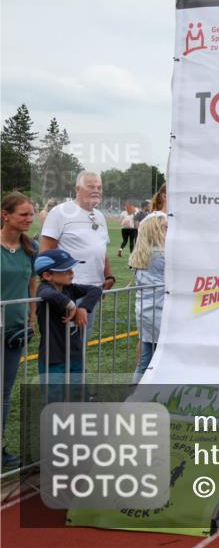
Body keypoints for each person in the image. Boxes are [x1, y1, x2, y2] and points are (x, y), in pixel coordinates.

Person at [34, 249, 102, 402]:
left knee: (79, 395)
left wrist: (83, 307)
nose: (72, 273)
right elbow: (47, 295)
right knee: (55, 400)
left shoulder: (69, 288)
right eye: (66, 271)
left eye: (71, 269)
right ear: (47, 275)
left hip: (75, 354)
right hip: (53, 357)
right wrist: (71, 305)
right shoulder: (45, 288)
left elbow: (95, 289)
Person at [40, 171, 115, 303]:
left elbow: (102, 250)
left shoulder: (100, 216)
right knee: (67, 324)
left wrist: (108, 276)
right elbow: (46, 253)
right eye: (91, 187)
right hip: (69, 288)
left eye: (99, 187)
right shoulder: (59, 212)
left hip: (94, 288)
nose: (96, 190)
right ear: (77, 189)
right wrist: (54, 286)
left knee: (87, 325)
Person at [1, 193, 37, 467]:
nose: (29, 218)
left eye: (31, 214)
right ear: (5, 215)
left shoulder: (30, 248)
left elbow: (32, 284)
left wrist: (32, 316)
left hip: (14, 332)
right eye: (23, 214)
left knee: (4, 392)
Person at [129, 212, 166, 383]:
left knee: (145, 359)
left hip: (145, 312)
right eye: (165, 227)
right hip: (160, 312)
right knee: (161, 359)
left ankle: (133, 393)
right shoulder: (160, 255)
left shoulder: (141, 253)